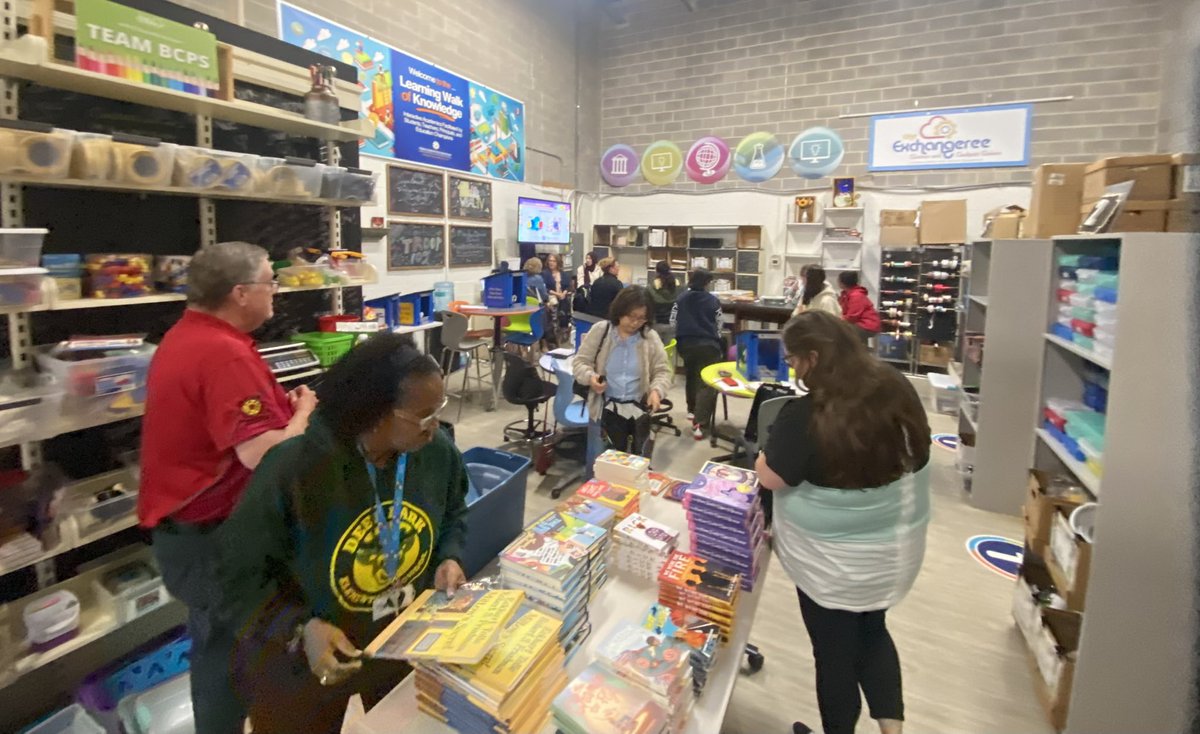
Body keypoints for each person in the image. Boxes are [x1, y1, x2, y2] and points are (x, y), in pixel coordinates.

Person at [218, 333, 468, 734]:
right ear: (376, 413)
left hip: (396, 642)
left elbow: (454, 509)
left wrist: (449, 555)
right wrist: (300, 628)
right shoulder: (294, 469)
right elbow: (236, 577)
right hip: (303, 662)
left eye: (438, 409)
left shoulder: (435, 452)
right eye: (423, 415)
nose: (434, 425)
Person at [138, 241, 317, 734]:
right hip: (214, 540)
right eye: (269, 283)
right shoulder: (221, 353)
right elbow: (264, 454)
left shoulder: (192, 336)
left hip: (198, 534)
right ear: (241, 293)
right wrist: (304, 413)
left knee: (223, 649)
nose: (275, 293)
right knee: (229, 662)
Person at [755, 311, 931, 734]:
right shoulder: (894, 386)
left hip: (832, 564)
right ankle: (892, 730)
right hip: (890, 553)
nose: (793, 368)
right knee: (872, 631)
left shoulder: (808, 413)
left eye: (794, 360)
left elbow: (770, 476)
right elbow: (918, 454)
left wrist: (764, 454)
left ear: (813, 357)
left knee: (833, 654)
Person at [573, 286, 672, 462]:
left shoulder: (650, 338)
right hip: (605, 411)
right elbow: (580, 362)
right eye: (631, 316)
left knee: (636, 464)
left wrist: (656, 391)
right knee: (603, 465)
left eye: (641, 318)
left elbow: (662, 370)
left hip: (638, 412)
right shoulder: (601, 331)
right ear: (620, 311)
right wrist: (591, 377)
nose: (635, 323)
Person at [671, 268, 723, 440]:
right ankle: (700, 423)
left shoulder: (681, 299)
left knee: (691, 376)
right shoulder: (713, 300)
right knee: (706, 383)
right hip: (708, 345)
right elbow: (719, 323)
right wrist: (717, 337)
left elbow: (673, 320)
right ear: (706, 283)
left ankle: (691, 411)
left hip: (685, 343)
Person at [837, 271, 882, 344]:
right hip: (861, 324)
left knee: (842, 332)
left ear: (842, 282)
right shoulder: (847, 294)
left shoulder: (856, 295)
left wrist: (837, 320)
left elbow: (852, 316)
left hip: (867, 325)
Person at [648, 261, 679, 343]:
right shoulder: (678, 287)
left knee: (656, 353)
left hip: (656, 324)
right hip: (673, 324)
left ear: (656, 271)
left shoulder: (651, 288)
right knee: (670, 352)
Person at [545, 252, 572, 342]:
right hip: (551, 298)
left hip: (563, 297)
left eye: (554, 261)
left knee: (565, 307)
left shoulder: (563, 274)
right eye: (550, 261)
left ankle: (564, 330)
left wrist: (563, 293)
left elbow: (568, 286)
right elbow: (545, 288)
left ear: (558, 263)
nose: (551, 263)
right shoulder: (545, 274)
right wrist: (557, 294)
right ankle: (553, 336)